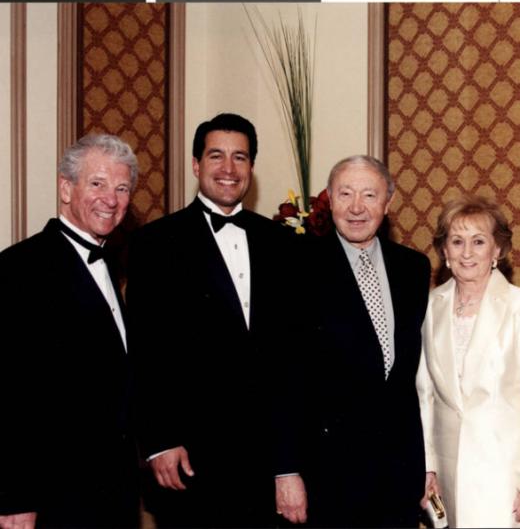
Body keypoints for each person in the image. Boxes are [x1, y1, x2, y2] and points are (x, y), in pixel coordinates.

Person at [127, 113, 306, 528]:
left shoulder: (283, 244)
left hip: (265, 460)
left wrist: (288, 463)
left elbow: (292, 358)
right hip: (190, 460)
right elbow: (144, 351)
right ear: (196, 165)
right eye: (216, 156)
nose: (228, 169)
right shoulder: (155, 243)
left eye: (240, 158)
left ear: (251, 168)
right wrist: (159, 442)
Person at [0, 134, 140, 528]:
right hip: (52, 497)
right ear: (66, 188)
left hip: (111, 492)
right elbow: (9, 393)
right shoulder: (20, 268)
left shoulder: (112, 267)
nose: (110, 199)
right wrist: (14, 498)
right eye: (96, 183)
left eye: (122, 187)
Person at [298, 155, 431, 527]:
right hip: (326, 472)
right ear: (330, 201)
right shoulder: (298, 266)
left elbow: (414, 381)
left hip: (399, 473)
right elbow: (283, 377)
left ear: (387, 204)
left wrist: (424, 465)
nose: (357, 207)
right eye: (345, 194)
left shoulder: (414, 269)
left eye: (369, 195)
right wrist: (285, 471)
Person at [416, 195, 520, 528]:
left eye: (478, 241)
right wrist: (428, 467)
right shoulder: (429, 306)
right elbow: (425, 396)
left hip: (508, 482)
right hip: (450, 480)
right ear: (444, 251)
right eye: (457, 241)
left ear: (497, 250)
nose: (467, 252)